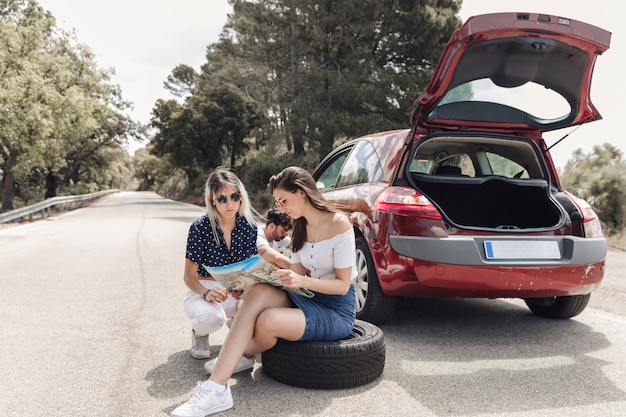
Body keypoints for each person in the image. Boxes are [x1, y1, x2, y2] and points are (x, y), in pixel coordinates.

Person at [171, 166, 357, 417]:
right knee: (258, 290)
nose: (281, 207)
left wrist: (299, 280)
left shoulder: (339, 223)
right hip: (306, 296)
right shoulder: (299, 226)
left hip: (335, 308)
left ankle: (244, 355)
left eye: (284, 200)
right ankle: (216, 389)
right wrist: (268, 277)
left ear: (302, 193)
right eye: (278, 202)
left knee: (267, 321)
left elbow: (343, 285)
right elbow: (297, 270)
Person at [183, 167, 288, 360]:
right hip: (203, 289)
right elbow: (188, 276)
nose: (229, 203)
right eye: (222, 199)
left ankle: (237, 324)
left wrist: (241, 291)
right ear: (212, 200)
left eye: (234, 196)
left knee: (262, 309)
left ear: (241, 197)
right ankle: (199, 333)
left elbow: (247, 269)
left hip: (235, 289)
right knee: (212, 319)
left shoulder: (248, 226)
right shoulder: (200, 227)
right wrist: (206, 293)